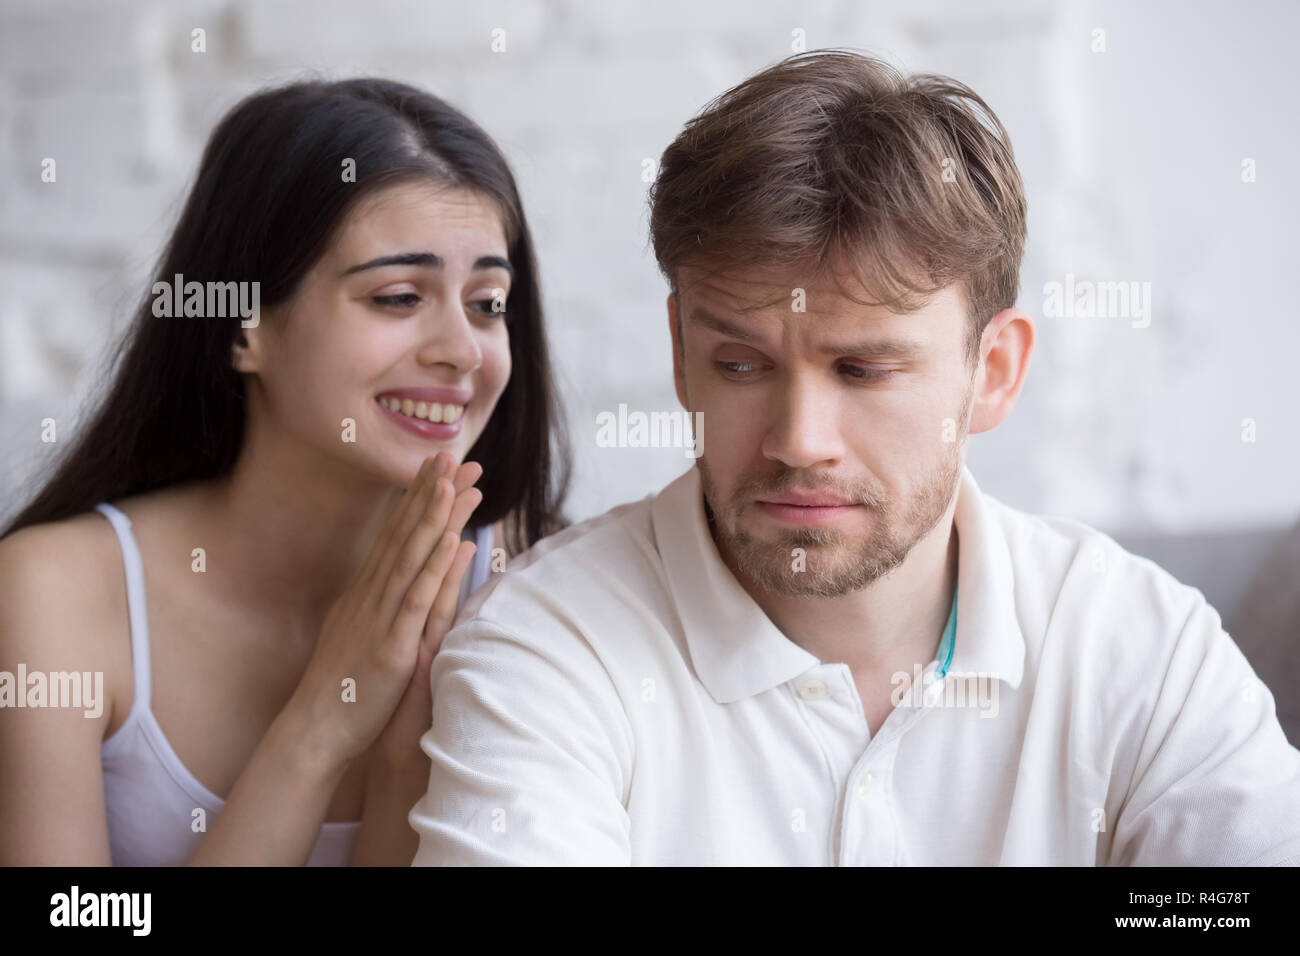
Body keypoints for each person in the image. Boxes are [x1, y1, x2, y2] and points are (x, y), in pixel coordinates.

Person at [409, 50, 1300, 865]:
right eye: (741, 364)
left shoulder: (1136, 648)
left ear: (991, 373)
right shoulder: (547, 647)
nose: (799, 440)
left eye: (864, 369)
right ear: (681, 356)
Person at [0, 77, 569, 865]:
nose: (462, 351)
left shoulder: (526, 579)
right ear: (243, 330)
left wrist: (403, 766)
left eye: (487, 303)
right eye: (400, 297)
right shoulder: (53, 595)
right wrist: (321, 725)